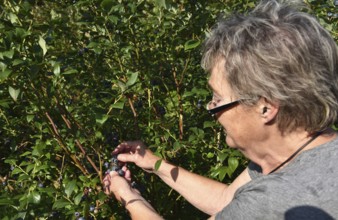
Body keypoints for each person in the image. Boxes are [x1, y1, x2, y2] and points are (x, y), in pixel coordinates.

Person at [102, 0, 338, 219]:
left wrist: (128, 195)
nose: (210, 108)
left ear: (266, 107)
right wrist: (154, 163)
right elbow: (226, 199)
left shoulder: (273, 200)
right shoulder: (297, 153)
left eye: (217, 98)